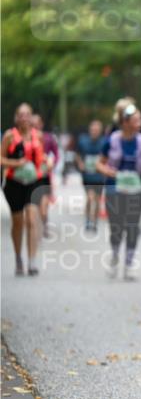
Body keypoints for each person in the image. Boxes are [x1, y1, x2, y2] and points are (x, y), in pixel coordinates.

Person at [96, 103, 141, 280]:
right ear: (125, 122)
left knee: (132, 225)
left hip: (135, 188)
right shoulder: (112, 140)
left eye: (140, 119)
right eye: (136, 119)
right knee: (116, 226)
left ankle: (129, 263)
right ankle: (115, 255)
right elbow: (100, 163)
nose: (140, 122)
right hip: (115, 188)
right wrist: (108, 171)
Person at [1, 103, 46, 276]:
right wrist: (16, 163)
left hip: (33, 182)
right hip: (14, 183)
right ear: (16, 118)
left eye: (27, 114)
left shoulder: (38, 136)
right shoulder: (9, 136)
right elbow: (1, 158)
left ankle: (32, 261)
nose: (24, 118)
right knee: (18, 222)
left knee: (32, 220)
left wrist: (46, 163)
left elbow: (41, 159)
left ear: (32, 117)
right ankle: (18, 257)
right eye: (21, 114)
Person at [75, 119, 106, 233]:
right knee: (89, 197)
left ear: (100, 131)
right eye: (93, 129)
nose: (95, 132)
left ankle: (95, 220)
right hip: (87, 175)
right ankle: (88, 219)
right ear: (90, 130)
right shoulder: (83, 141)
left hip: (99, 175)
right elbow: (77, 154)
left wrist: (104, 166)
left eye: (97, 130)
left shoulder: (104, 142)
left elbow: (108, 157)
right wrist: (80, 163)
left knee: (97, 199)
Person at [32, 114, 59, 239]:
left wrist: (51, 163)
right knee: (33, 204)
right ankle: (36, 225)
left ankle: (44, 224)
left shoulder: (49, 138)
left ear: (41, 124)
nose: (35, 126)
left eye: (37, 124)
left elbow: (56, 154)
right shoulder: (27, 139)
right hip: (30, 176)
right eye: (32, 124)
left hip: (44, 176)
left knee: (43, 204)